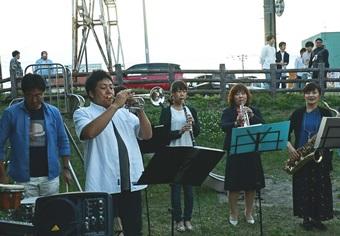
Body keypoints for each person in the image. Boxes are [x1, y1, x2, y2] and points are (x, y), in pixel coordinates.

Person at [73, 69, 152, 236]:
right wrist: (116, 105)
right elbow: (89, 133)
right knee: (103, 231)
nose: (109, 91)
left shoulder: (124, 114)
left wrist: (140, 109)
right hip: (103, 184)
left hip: (131, 182)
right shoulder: (83, 113)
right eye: (103, 88)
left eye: (111, 87)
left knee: (134, 230)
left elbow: (147, 135)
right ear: (91, 93)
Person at [0, 73, 72, 197]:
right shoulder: (10, 114)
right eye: (29, 96)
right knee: (27, 215)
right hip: (24, 178)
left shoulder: (53, 113)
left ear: (44, 93)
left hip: (50, 177)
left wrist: (66, 168)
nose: (34, 100)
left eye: (38, 95)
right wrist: (2, 174)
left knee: (50, 213)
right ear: (23, 94)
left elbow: (63, 141)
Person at [286, 82, 333, 231]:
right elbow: (285, 134)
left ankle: (317, 217)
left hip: (321, 155)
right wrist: (290, 147)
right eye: (308, 93)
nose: (311, 96)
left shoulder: (326, 113)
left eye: (314, 92)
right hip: (302, 156)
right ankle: (305, 218)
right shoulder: (297, 114)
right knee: (303, 187)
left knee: (321, 187)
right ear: (304, 95)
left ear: (319, 95)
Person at [220, 83, 265, 226]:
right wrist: (235, 123)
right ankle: (233, 212)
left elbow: (263, 126)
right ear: (232, 97)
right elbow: (223, 126)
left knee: (251, 184)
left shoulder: (254, 110)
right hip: (235, 150)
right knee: (234, 184)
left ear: (247, 96)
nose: (241, 96)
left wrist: (252, 116)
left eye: (243, 94)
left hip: (251, 150)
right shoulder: (228, 112)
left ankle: (248, 211)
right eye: (237, 94)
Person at [159, 80, 200, 232]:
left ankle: (188, 219)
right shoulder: (167, 111)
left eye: (184, 91)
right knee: (176, 189)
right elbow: (163, 135)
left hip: (189, 151)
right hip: (174, 152)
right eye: (178, 91)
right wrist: (179, 132)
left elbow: (197, 133)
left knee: (189, 189)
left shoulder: (191, 110)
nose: (182, 94)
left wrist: (193, 124)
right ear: (172, 94)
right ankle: (178, 220)